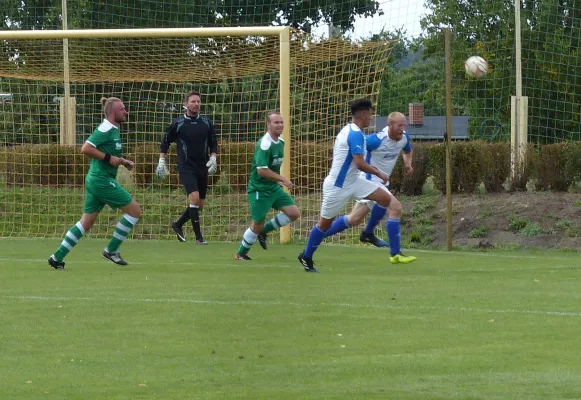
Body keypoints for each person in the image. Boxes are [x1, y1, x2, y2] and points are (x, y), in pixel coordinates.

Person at [298, 99, 416, 272]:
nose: (371, 118)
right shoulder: (355, 134)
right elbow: (359, 163)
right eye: (370, 114)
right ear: (362, 114)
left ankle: (373, 236)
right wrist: (378, 173)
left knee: (387, 200)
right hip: (338, 185)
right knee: (324, 224)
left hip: (355, 181)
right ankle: (306, 256)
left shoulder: (353, 131)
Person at [47, 97, 142, 269]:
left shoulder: (112, 129)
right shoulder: (106, 128)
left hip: (96, 180)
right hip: (101, 181)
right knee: (135, 211)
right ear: (113, 112)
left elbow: (108, 155)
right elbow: (86, 148)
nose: (126, 112)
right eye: (122, 109)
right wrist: (109, 158)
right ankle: (111, 250)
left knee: (86, 222)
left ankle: (57, 257)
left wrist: (122, 161)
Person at [322, 112, 417, 263]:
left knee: (354, 219)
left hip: (380, 182)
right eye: (399, 125)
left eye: (404, 125)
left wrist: (408, 164)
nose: (402, 129)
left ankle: (318, 235)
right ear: (390, 126)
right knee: (396, 208)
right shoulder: (376, 140)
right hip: (368, 180)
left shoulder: (404, 137)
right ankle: (395, 253)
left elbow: (408, 150)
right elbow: (356, 149)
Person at [235, 110, 300, 260]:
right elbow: (262, 170)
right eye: (276, 122)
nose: (280, 125)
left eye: (281, 122)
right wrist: (283, 179)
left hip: (272, 188)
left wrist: (277, 180)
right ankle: (241, 253)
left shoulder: (281, 142)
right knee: (257, 223)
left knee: (293, 213)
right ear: (268, 124)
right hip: (259, 189)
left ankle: (263, 231)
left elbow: (272, 167)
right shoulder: (265, 144)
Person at [155, 90, 218, 244]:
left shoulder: (206, 122)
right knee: (194, 198)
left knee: (199, 204)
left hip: (202, 166)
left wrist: (214, 157)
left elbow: (213, 142)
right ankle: (199, 238)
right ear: (185, 104)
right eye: (193, 101)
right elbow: (165, 141)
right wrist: (162, 161)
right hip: (186, 167)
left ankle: (178, 224)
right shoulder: (178, 123)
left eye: (198, 101)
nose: (196, 104)